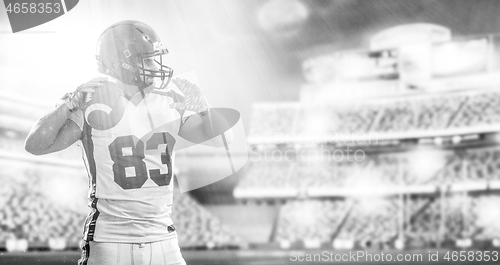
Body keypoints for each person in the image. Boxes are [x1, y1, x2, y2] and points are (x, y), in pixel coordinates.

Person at [25, 20, 231, 265]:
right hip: (110, 240)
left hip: (162, 238)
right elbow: (35, 144)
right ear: (121, 63)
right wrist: (68, 104)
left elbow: (224, 141)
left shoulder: (171, 99)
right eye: (146, 59)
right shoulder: (91, 101)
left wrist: (204, 107)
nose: (155, 66)